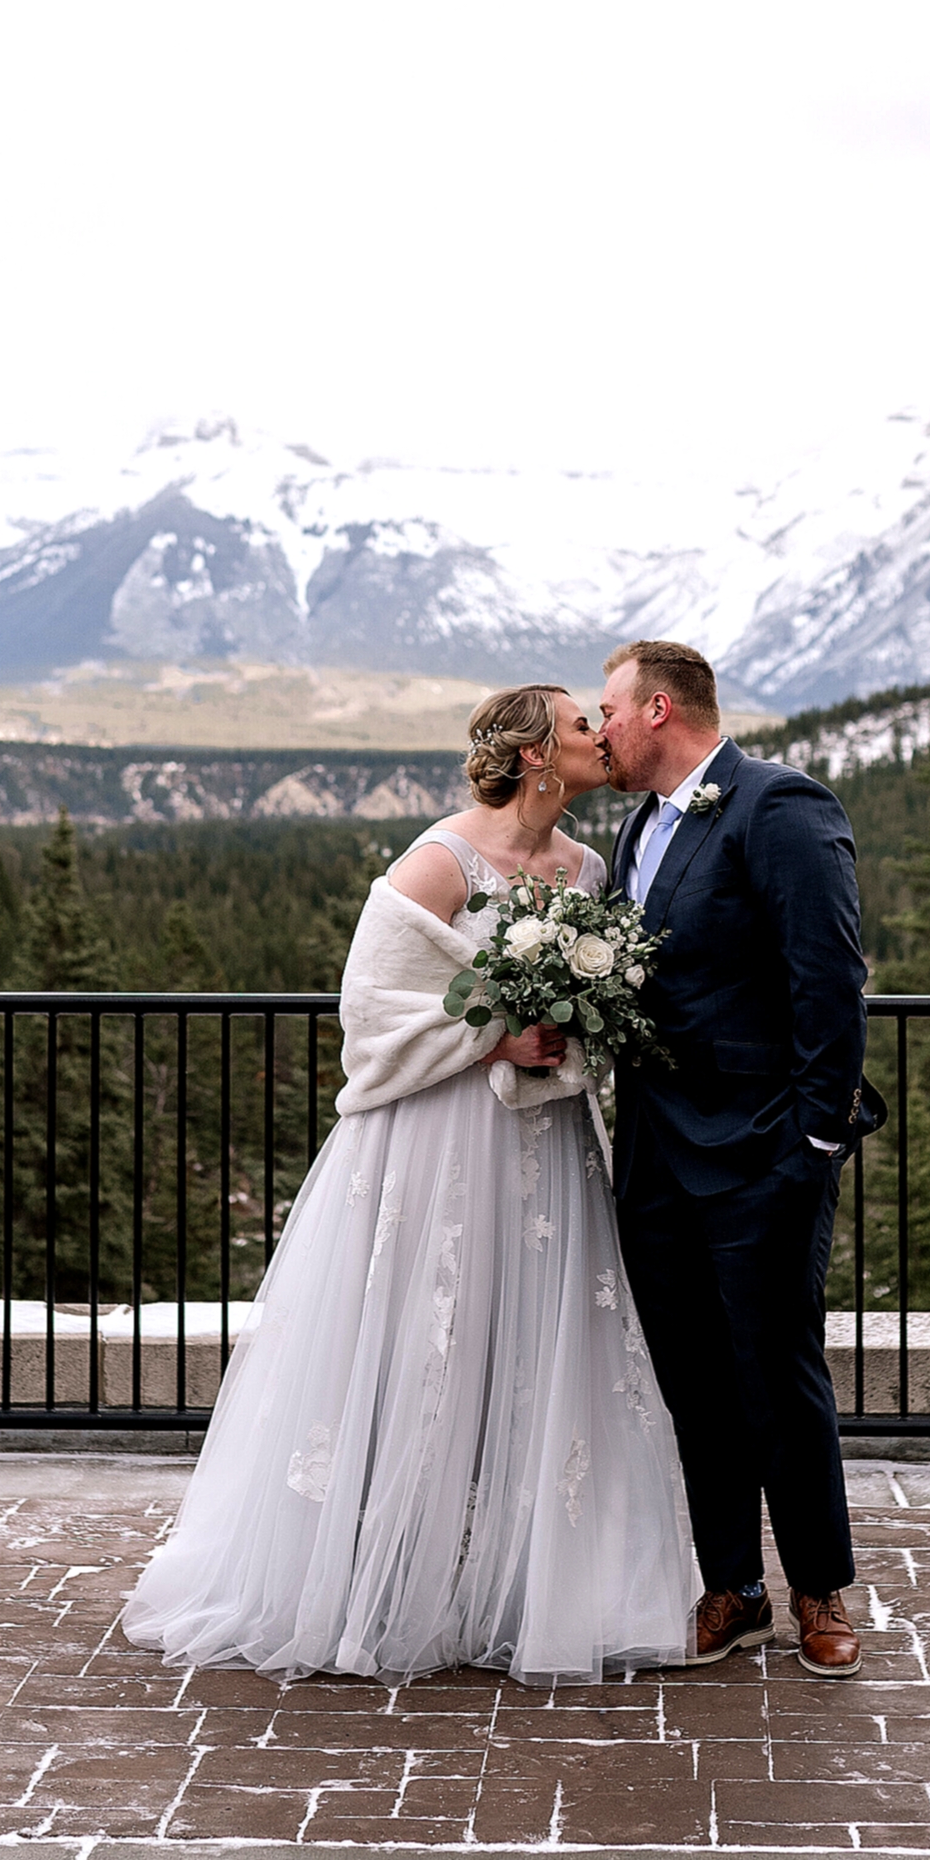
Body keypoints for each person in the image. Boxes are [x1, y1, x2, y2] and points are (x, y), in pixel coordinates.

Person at [122, 684, 694, 1686]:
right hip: (435, 1140)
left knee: (527, 1347)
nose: (601, 734)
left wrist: (559, 1038)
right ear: (530, 755)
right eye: (578, 725)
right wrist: (493, 1035)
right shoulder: (439, 860)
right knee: (418, 1343)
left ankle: (515, 1581)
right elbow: (371, 1012)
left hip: (543, 1141)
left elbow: (581, 1009)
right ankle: (381, 1579)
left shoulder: (586, 867)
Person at [597, 640, 884, 1678]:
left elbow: (828, 983)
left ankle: (819, 1587)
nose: (601, 730)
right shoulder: (635, 825)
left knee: (777, 1375)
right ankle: (732, 1585)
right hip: (657, 1158)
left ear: (660, 708)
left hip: (763, 1153)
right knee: (693, 1380)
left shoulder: (778, 807)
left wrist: (812, 1141)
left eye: (609, 709)